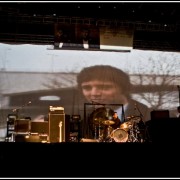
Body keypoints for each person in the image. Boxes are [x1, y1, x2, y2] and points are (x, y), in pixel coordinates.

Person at [76, 65, 151, 141]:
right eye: (87, 88)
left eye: (104, 87)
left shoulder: (146, 115)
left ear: (123, 89)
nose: (94, 93)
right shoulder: (83, 120)